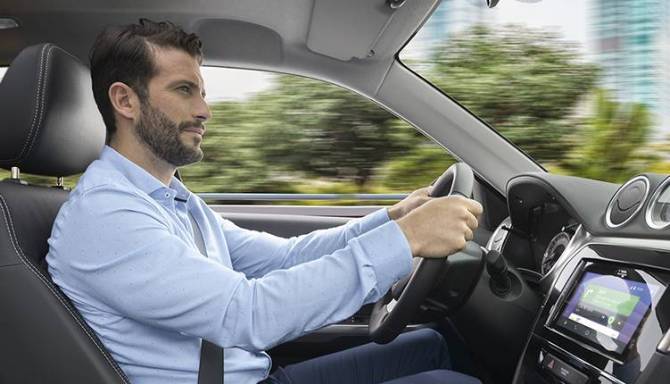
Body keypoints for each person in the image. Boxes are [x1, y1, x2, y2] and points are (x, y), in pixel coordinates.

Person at [46, 19, 483, 384]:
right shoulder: (105, 215)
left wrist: (391, 219)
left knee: (430, 344)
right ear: (125, 100)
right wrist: (405, 240)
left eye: (202, 92)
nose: (204, 110)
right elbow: (247, 313)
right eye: (184, 90)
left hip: (256, 375)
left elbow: (283, 258)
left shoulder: (170, 199)